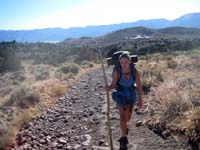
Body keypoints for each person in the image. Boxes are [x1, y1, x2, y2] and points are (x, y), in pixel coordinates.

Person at [105, 53, 143, 149]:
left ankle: (124, 127)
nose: (124, 64)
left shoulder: (134, 71)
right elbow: (113, 84)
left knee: (128, 117)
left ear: (130, 62)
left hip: (131, 94)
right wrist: (109, 88)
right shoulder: (118, 71)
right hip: (120, 94)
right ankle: (124, 137)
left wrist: (140, 99)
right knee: (122, 117)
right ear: (120, 63)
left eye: (126, 62)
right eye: (122, 62)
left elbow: (139, 85)